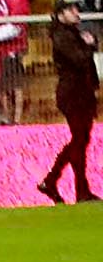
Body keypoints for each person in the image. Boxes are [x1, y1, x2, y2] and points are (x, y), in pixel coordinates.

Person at [46, 11, 98, 205]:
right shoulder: (62, 36)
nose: (76, 13)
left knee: (80, 140)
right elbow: (79, 59)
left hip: (80, 92)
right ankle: (66, 184)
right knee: (79, 139)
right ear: (60, 14)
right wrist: (90, 45)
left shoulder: (71, 33)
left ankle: (59, 182)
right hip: (73, 93)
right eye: (71, 9)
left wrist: (90, 44)